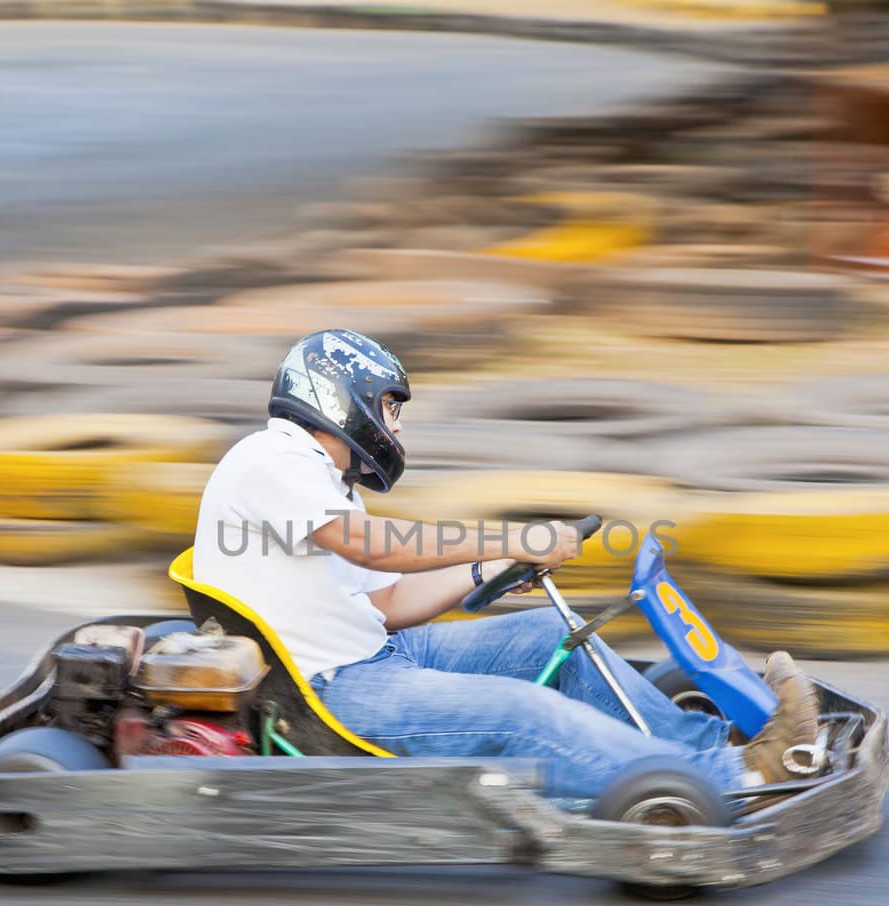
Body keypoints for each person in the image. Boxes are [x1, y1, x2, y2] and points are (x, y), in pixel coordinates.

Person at [193, 328, 821, 802]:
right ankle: (729, 780)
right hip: (330, 692)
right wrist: (515, 537)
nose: (394, 423)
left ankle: (720, 750)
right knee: (522, 714)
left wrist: (490, 564)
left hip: (378, 654)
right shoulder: (272, 458)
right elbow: (374, 546)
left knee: (555, 638)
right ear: (341, 394)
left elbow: (386, 605)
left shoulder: (322, 481)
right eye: (388, 406)